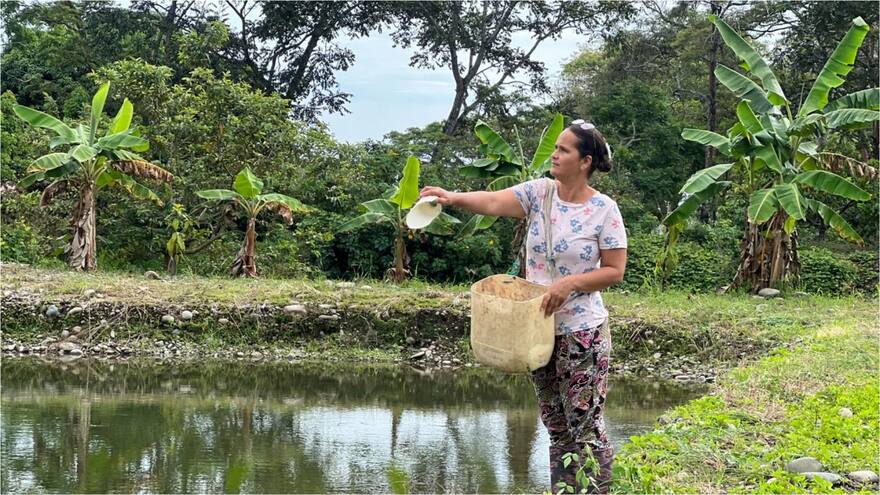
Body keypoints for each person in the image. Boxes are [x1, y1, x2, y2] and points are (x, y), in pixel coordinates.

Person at [420, 120, 627, 493]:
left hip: (581, 333)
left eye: (563, 150)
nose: (555, 154)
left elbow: (615, 270)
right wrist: (452, 197)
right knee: (555, 423)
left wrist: (569, 283)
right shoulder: (539, 194)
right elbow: (493, 201)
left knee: (585, 424)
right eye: (556, 148)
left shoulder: (604, 210)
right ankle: (564, 490)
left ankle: (598, 490)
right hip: (537, 331)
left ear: (585, 161)